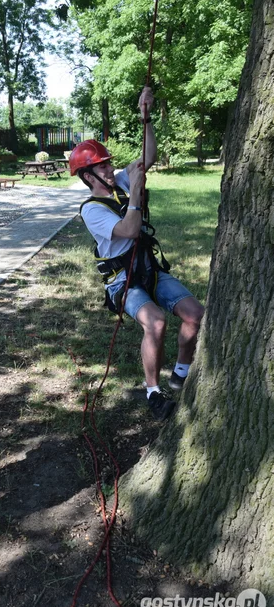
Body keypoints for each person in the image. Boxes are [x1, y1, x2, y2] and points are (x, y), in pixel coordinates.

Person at [69, 87, 204, 420]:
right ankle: (153, 392)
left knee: (196, 315)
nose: (110, 167)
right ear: (88, 176)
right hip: (122, 281)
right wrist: (136, 194)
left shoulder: (119, 182)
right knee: (155, 323)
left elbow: (147, 158)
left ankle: (181, 373)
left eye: (110, 162)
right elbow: (129, 230)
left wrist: (145, 117)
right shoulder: (91, 210)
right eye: (103, 165)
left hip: (149, 268)